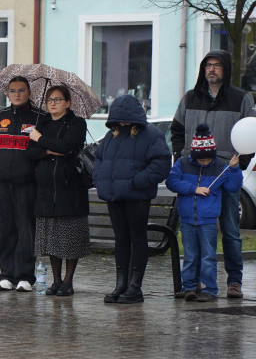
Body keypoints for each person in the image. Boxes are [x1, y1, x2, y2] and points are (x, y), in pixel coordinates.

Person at [170, 50, 256, 299]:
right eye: (208, 65)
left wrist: (239, 164)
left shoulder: (241, 98)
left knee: (230, 230)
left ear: (226, 68)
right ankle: (193, 283)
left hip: (224, 173)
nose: (212, 69)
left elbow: (251, 132)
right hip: (194, 174)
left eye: (217, 65)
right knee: (194, 232)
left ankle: (234, 281)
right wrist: (181, 156)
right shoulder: (190, 98)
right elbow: (177, 130)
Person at [92, 94, 172, 304]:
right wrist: (100, 179)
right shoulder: (112, 135)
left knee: (137, 238)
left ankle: (134, 287)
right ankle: (121, 284)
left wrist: (137, 181)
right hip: (114, 196)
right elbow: (98, 159)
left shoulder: (151, 135)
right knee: (121, 239)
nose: (123, 122)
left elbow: (162, 163)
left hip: (137, 196)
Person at [0, 76, 44, 291]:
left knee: (26, 231)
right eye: (12, 90)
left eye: (21, 90)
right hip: (1, 183)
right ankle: (6, 275)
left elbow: (45, 149)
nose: (17, 94)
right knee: (4, 230)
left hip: (28, 185)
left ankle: (25, 276)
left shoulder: (40, 118)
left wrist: (33, 169)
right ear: (7, 93)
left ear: (29, 93)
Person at [167, 124, 242, 302]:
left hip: (208, 220)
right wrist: (193, 189)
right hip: (187, 218)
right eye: (202, 160)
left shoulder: (220, 166)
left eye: (209, 159)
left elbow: (233, 187)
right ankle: (189, 287)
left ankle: (211, 289)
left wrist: (234, 169)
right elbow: (172, 181)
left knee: (208, 256)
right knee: (190, 255)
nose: (206, 162)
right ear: (194, 155)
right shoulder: (182, 163)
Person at [27, 85, 90, 296]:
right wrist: (48, 150)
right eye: (49, 100)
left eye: (57, 100)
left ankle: (68, 282)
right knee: (51, 239)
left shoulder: (77, 123)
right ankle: (55, 281)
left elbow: (66, 146)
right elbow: (30, 152)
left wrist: (41, 141)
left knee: (70, 238)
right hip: (46, 190)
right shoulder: (42, 123)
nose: (52, 104)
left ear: (68, 103)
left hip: (70, 188)